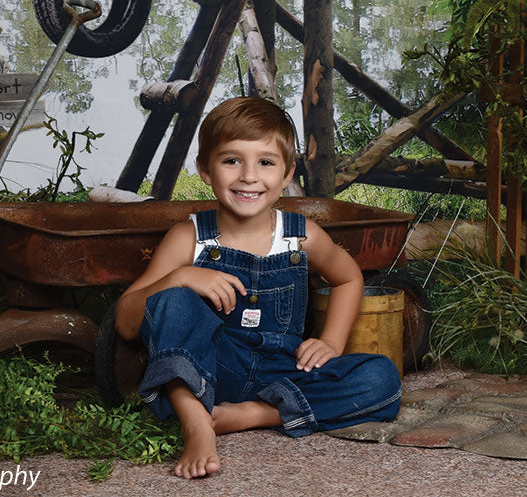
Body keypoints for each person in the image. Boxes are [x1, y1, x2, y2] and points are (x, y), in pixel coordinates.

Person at [115, 97, 401, 479]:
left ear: (286, 174)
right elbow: (126, 321)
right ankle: (195, 420)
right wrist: (180, 278)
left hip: (284, 368)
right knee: (174, 300)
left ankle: (254, 414)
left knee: (382, 377)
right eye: (232, 160)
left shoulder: (300, 237)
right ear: (205, 170)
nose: (249, 176)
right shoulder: (189, 239)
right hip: (214, 365)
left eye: (265, 162)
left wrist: (331, 342)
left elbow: (349, 278)